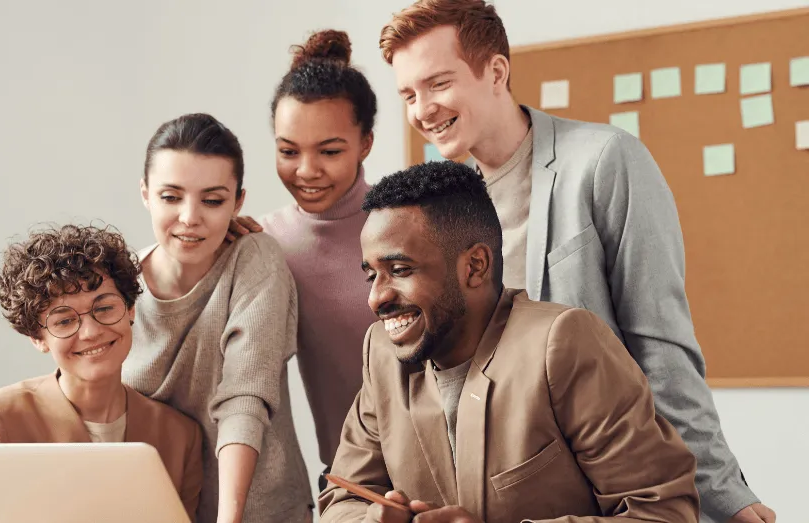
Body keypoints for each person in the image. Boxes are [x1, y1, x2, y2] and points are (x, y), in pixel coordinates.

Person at [379, 2, 773, 522]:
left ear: (496, 72)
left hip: (613, 485)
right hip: (498, 493)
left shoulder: (604, 160)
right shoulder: (444, 210)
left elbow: (660, 345)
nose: (423, 110)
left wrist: (723, 494)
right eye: (409, 94)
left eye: (438, 84)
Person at [319, 161, 699, 523]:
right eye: (371, 276)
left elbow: (664, 512)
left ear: (475, 266)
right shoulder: (383, 353)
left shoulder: (562, 344)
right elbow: (341, 499)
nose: (376, 298)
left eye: (400, 270)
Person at [0, 224, 204, 523]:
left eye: (105, 308)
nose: (91, 332)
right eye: (63, 321)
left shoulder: (180, 436)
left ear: (130, 309)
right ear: (37, 338)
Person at [121, 113, 312, 523]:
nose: (190, 217)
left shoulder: (254, 258)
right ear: (146, 194)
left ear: (238, 202)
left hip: (256, 511)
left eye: (212, 201)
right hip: (159, 510)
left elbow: (245, 396)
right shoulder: (120, 284)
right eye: (171, 197)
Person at [260, 29, 379, 492]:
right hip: (350, 484)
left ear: (365, 143)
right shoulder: (264, 242)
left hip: (449, 472)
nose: (306, 171)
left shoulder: (408, 222)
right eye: (288, 151)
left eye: (329, 151)